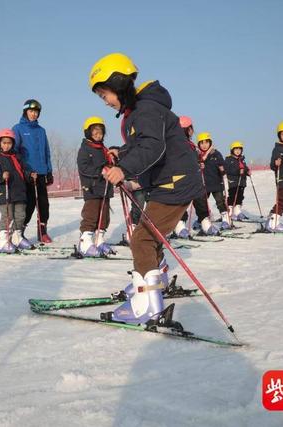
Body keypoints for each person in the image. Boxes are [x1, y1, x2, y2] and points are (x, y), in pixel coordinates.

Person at [89, 52, 202, 325]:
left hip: (175, 182)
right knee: (150, 236)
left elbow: (153, 146)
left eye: (105, 94)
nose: (105, 101)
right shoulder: (142, 110)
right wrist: (122, 154)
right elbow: (142, 144)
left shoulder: (146, 109)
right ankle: (152, 281)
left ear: (118, 83)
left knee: (142, 239)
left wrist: (123, 169)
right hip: (171, 181)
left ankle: (148, 303)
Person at [12, 99, 53, 243]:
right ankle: (19, 232)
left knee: (43, 204)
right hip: (27, 174)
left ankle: (42, 232)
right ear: (25, 112)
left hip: (41, 173)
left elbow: (46, 151)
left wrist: (49, 171)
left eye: (36, 112)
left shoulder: (41, 131)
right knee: (28, 204)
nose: (34, 114)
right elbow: (14, 151)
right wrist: (23, 170)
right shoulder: (17, 129)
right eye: (31, 111)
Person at [0, 129, 32, 252]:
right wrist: (1, 176)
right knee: (8, 216)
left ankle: (16, 236)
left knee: (21, 215)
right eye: (4, 143)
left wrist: (30, 175)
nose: (6, 145)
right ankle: (1, 240)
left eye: (9, 143)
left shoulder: (17, 157)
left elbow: (23, 171)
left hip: (19, 191)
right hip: (5, 191)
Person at [77, 116, 115, 256]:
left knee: (104, 215)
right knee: (91, 214)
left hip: (104, 188)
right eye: (95, 133)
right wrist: (100, 170)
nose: (98, 136)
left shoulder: (103, 149)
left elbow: (109, 165)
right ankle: (85, 241)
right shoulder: (85, 149)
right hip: (92, 188)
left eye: (100, 133)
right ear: (88, 133)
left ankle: (99, 239)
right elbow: (83, 168)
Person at [196, 132, 230, 234]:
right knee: (201, 204)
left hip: (216, 184)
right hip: (203, 184)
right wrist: (198, 166)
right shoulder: (197, 155)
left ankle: (225, 219)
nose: (204, 145)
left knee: (220, 202)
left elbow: (223, 167)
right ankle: (201, 220)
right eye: (201, 143)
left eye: (206, 142)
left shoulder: (216, 153)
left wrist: (222, 169)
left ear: (210, 143)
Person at [224, 141, 250, 221]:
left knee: (240, 197)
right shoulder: (229, 159)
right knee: (232, 196)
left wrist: (247, 171)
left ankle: (237, 211)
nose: (238, 151)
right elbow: (228, 170)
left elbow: (244, 168)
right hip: (233, 182)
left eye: (239, 149)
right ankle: (230, 212)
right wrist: (238, 171)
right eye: (236, 149)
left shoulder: (242, 159)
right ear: (232, 150)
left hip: (242, 181)